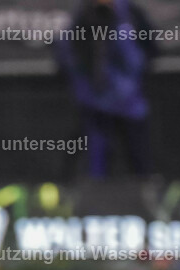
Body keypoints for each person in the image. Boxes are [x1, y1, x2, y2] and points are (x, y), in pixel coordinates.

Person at [56, 0, 156, 177]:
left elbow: (148, 50)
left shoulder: (131, 15)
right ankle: (95, 195)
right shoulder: (81, 17)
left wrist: (130, 83)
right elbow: (68, 56)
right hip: (94, 102)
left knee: (139, 157)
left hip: (130, 101)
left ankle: (145, 193)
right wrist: (86, 88)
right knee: (96, 158)